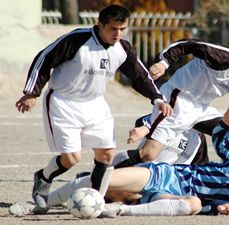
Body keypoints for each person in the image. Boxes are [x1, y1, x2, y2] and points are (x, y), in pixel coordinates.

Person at [14, 4, 172, 210]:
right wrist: (31, 92)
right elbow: (44, 59)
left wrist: (157, 99)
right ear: (99, 25)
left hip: (95, 104)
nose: (118, 34)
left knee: (106, 154)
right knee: (71, 159)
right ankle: (43, 178)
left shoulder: (122, 48)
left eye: (123, 29)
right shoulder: (77, 40)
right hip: (64, 102)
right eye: (113, 29)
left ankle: (96, 201)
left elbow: (139, 75)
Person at [9, 106, 229, 217]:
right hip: (170, 177)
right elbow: (224, 141)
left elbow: (211, 209)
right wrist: (226, 124)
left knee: (195, 204)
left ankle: (120, 210)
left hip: (171, 197)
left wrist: (220, 210)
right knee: (104, 180)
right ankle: (38, 205)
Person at [117, 39, 229, 167]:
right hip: (178, 100)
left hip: (201, 108)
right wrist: (164, 63)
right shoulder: (228, 59)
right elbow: (189, 45)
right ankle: (110, 167)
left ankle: (218, 181)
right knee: (149, 154)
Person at [112, 113, 209, 168]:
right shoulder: (167, 119)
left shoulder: (199, 137)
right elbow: (144, 121)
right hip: (143, 172)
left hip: (170, 183)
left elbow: (200, 166)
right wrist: (144, 128)